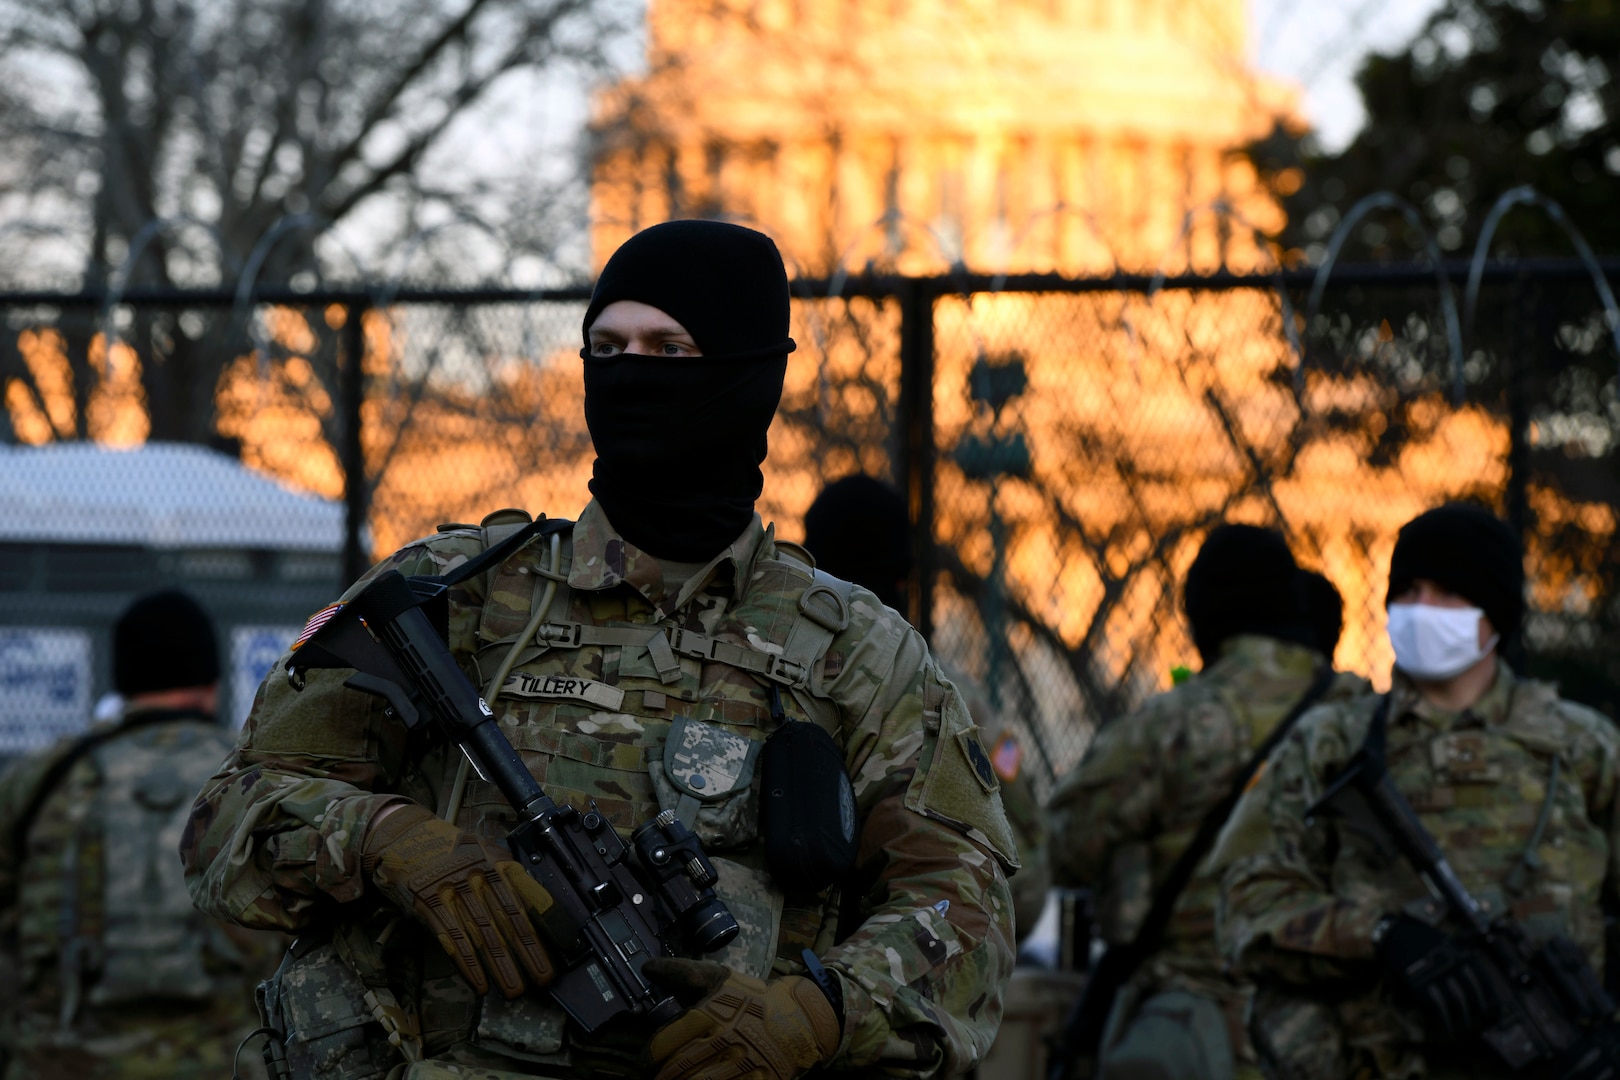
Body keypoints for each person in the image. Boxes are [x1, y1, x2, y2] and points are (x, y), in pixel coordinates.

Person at [182, 219, 1019, 1080]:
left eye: (668, 347)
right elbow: (226, 819)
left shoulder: (861, 654)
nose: (629, 374)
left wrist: (821, 1012)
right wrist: (387, 840)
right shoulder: (450, 595)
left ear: (746, 376)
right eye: (605, 346)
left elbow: (965, 905)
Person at [1213, 503, 1620, 1079]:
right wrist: (1379, 934)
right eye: (1407, 590)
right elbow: (1243, 903)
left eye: (1449, 593)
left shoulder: (1584, 749)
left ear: (1496, 608)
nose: (1421, 610)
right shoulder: (1330, 744)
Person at [1046, 525, 1366, 1080]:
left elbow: (1063, 844)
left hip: (1199, 1032)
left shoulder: (1173, 725)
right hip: (1340, 1032)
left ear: (1201, 616)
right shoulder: (1366, 721)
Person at [0, 590, 276, 1079]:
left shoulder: (41, 780)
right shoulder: (260, 778)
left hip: (62, 1063)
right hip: (227, 1063)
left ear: (122, 681)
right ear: (212, 683)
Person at [802, 474, 1051, 944]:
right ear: (902, 574)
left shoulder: (769, 676)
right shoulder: (955, 692)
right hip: (917, 956)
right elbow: (1028, 866)